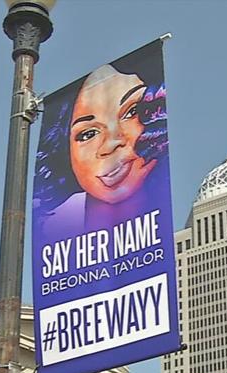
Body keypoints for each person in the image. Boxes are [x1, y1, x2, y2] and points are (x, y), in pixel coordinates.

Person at [33, 49, 168, 240]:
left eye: (132, 112)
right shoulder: (51, 227)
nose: (111, 144)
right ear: (64, 151)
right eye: (88, 133)